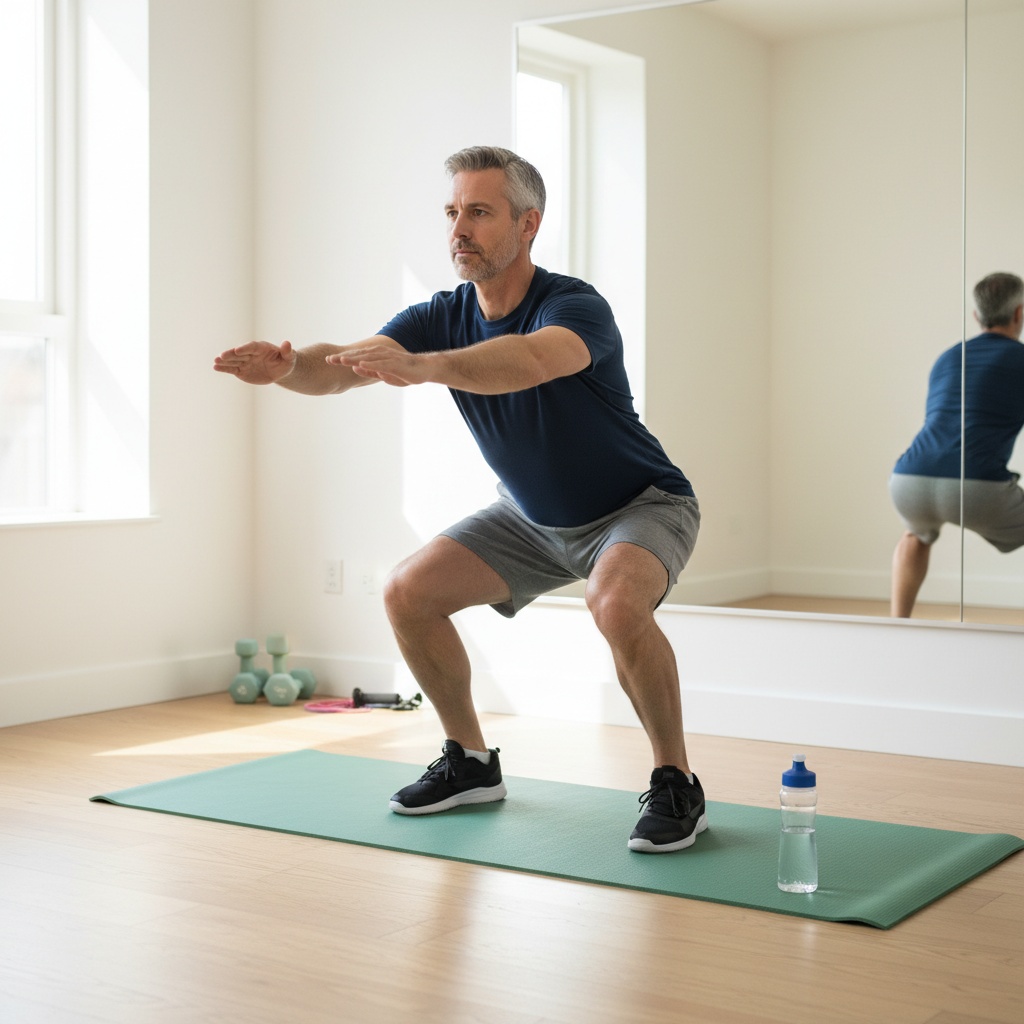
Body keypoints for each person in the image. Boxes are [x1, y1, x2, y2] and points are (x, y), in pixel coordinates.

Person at [214, 146, 705, 853]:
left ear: (527, 224)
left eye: (479, 211)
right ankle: (470, 764)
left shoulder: (572, 305)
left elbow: (532, 361)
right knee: (408, 591)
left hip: (640, 505)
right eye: (452, 212)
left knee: (618, 603)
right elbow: (343, 367)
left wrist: (423, 366)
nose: (458, 230)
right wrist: (289, 367)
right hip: (531, 517)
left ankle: (674, 782)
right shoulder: (440, 314)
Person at [889, 271, 1024, 617]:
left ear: (977, 316)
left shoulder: (947, 357)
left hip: (909, 478)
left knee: (914, 537)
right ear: (1019, 313)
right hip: (976, 486)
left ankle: (896, 627)